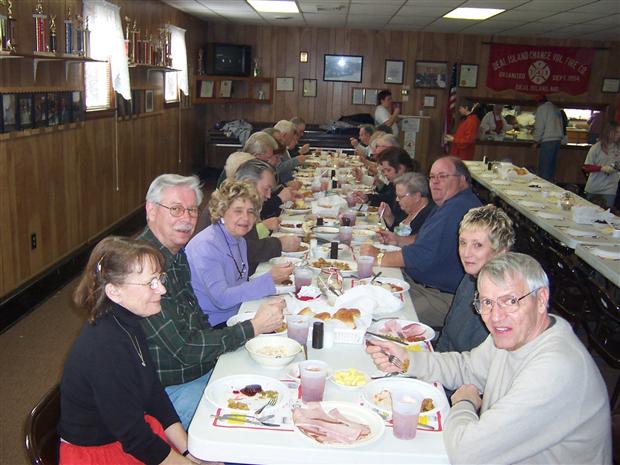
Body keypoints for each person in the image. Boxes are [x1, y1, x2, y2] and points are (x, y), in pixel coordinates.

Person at [366, 252, 611, 464]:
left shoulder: (556, 369)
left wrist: (464, 403)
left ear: (542, 299)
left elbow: (467, 453)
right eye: (487, 302)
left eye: (510, 301)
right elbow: (467, 368)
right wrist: (408, 359)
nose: (496, 316)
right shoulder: (517, 335)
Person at [137, 174, 285, 429]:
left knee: (269, 383)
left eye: (192, 210)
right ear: (151, 210)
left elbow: (197, 319)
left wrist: (234, 342)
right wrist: (250, 328)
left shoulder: (176, 254)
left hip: (195, 368)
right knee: (255, 420)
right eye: (175, 209)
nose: (186, 218)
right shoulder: (142, 267)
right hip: (167, 391)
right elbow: (185, 349)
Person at [59, 237, 199, 464]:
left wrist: (188, 451)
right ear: (114, 292)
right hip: (100, 453)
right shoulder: (105, 349)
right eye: (150, 283)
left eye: (160, 279)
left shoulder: (127, 322)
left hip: (127, 436)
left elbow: (153, 391)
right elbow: (135, 439)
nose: (162, 289)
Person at [360, 156, 482, 327]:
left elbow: (420, 255)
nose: (435, 182)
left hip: (444, 298)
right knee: (368, 289)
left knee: (375, 312)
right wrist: (399, 240)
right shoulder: (451, 204)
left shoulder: (456, 210)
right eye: (432, 177)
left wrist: (378, 256)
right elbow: (427, 239)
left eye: (443, 176)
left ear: (462, 180)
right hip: (425, 286)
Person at [186, 180, 293, 327]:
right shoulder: (206, 246)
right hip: (213, 326)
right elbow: (222, 299)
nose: (246, 218)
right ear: (222, 211)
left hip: (238, 311)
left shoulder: (238, 240)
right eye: (238, 211)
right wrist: (268, 280)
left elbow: (238, 284)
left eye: (251, 211)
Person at [196, 159, 301, 275]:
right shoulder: (224, 207)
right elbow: (244, 250)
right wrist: (278, 244)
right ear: (248, 183)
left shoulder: (244, 206)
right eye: (266, 189)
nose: (269, 195)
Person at [435, 204, 515, 352]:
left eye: (477, 245)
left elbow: (476, 369)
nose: (466, 253)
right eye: (463, 243)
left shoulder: (502, 305)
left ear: (500, 252)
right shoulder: (470, 279)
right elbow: (447, 334)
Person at [376, 172, 435, 246]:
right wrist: (389, 217)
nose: (397, 200)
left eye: (400, 197)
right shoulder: (409, 208)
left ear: (416, 196)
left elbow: (419, 243)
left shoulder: (430, 216)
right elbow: (399, 232)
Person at [583, 121, 620, 208]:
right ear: (609, 132)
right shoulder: (596, 148)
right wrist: (602, 168)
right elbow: (586, 167)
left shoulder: (618, 148)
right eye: (617, 132)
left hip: (610, 188)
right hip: (594, 187)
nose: (619, 135)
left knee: (606, 214)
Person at [532, 94, 564, 181]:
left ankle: (543, 189)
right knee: (551, 169)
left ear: (538, 102)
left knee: (544, 170)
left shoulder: (542, 109)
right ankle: (550, 188)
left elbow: (539, 126)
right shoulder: (555, 108)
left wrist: (536, 141)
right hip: (557, 141)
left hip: (548, 141)